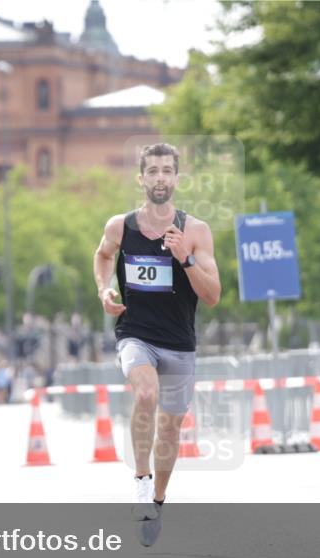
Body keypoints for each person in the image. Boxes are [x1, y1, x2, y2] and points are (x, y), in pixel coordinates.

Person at [92, 142, 221, 534]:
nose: (160, 177)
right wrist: (104, 289)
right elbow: (101, 256)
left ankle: (157, 501)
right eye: (153, 171)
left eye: (167, 171)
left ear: (177, 179)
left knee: (170, 427)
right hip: (136, 334)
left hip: (179, 340)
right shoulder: (120, 226)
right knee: (145, 395)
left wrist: (186, 258)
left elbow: (213, 296)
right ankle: (141, 482)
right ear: (141, 178)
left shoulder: (195, 230)